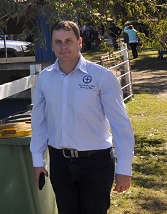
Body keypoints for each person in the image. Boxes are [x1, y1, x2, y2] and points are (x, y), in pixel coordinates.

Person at [30, 20, 134, 214]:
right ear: (52, 45)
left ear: (79, 42)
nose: (63, 46)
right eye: (58, 41)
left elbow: (120, 124)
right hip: (59, 162)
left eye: (68, 40)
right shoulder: (45, 78)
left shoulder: (101, 77)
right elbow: (39, 122)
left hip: (96, 163)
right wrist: (38, 161)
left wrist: (124, 168)